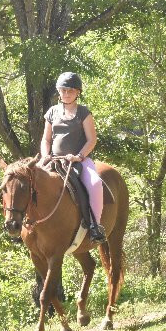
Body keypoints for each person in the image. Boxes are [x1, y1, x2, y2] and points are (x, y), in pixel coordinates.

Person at [39, 72, 107, 243]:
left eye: (70, 91)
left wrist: (79, 156)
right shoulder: (52, 112)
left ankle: (94, 226)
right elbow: (46, 139)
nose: (66, 94)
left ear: (78, 92)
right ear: (59, 92)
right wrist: (45, 156)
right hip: (53, 159)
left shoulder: (83, 112)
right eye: (63, 90)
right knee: (28, 180)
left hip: (78, 160)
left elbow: (92, 139)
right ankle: (27, 224)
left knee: (95, 183)